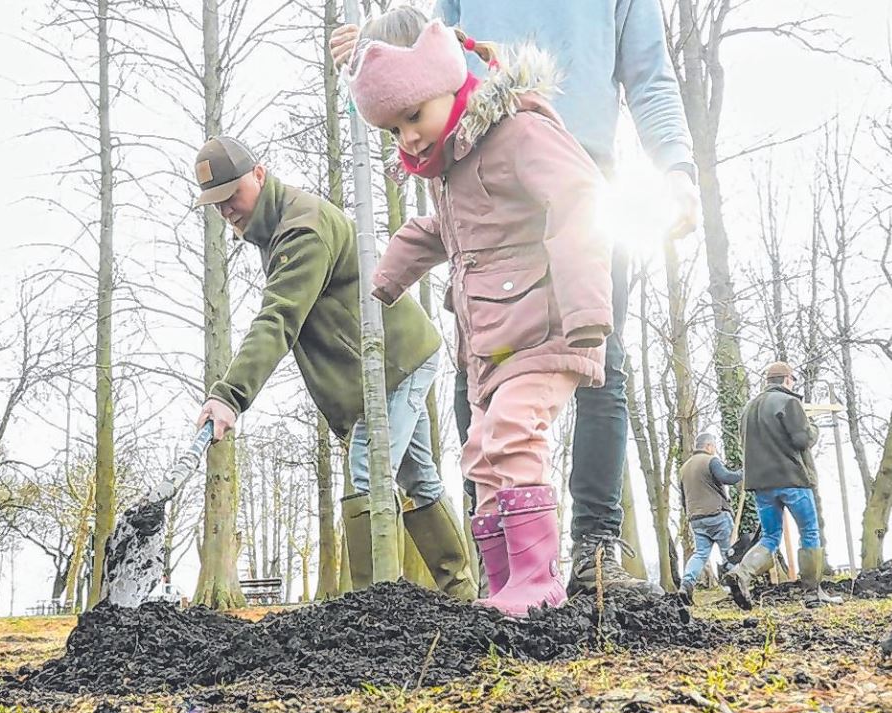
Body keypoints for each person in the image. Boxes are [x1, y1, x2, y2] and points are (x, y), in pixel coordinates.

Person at [331, 0, 701, 600]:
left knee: (594, 363)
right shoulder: (436, 145)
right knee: (480, 409)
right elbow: (434, 40)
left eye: (404, 124)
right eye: (393, 130)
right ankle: (502, 566)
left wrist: (676, 169)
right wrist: (375, 51)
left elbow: (651, 75)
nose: (401, 139)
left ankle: (586, 554)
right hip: (472, 168)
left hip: (576, 173)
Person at [346, 10, 613, 616]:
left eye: (413, 116)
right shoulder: (448, 169)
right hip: (490, 347)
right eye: (392, 129)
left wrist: (587, 309)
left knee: (514, 432)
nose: (407, 137)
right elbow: (439, 231)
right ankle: (504, 583)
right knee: (481, 451)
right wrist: (385, 280)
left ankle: (538, 584)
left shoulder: (518, 132)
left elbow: (579, 200)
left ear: (448, 82)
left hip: (546, 328)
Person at [190, 136, 477, 600]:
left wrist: (229, 395)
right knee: (418, 477)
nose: (227, 210)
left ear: (259, 174)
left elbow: (278, 318)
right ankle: (463, 596)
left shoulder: (302, 229)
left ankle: (367, 609)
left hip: (393, 361)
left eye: (231, 195)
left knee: (368, 471)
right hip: (400, 355)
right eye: (216, 203)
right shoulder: (278, 229)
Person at [723, 361, 841, 609]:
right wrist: (814, 429)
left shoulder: (748, 408)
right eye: (793, 379)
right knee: (809, 532)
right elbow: (802, 438)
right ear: (787, 379)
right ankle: (812, 593)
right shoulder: (789, 402)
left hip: (761, 485)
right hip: (792, 480)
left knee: (770, 537)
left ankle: (741, 574)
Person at [677, 432, 742, 605]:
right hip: (717, 514)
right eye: (714, 447)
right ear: (708, 446)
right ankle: (735, 590)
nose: (714, 450)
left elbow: (683, 498)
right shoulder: (710, 461)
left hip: (696, 519)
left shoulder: (684, 468)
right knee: (728, 553)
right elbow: (727, 478)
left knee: (700, 554)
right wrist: (743, 472)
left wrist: (691, 514)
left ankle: (686, 584)